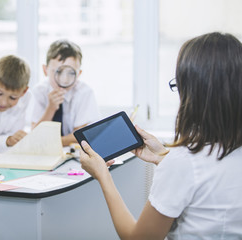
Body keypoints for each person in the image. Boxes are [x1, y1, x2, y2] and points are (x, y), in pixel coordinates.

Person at [79, 32, 242, 239]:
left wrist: (103, 176)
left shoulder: (183, 162)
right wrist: (162, 157)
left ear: (194, 93)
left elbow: (138, 238)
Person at [31, 39, 99, 146]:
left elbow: (80, 135)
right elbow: (34, 135)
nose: (64, 79)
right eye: (58, 71)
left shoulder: (85, 93)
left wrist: (49, 143)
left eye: (71, 73)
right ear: (45, 70)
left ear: (79, 74)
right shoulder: (39, 92)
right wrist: (51, 108)